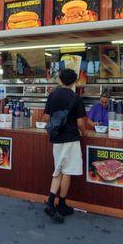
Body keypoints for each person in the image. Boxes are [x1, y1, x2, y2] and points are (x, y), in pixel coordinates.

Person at [41, 68, 86, 224]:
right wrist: (85, 132)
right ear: (74, 82)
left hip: (57, 138)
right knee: (67, 171)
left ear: (60, 80)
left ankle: (50, 202)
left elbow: (46, 117)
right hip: (71, 139)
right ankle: (61, 204)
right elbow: (80, 123)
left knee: (58, 170)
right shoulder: (76, 98)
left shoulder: (52, 95)